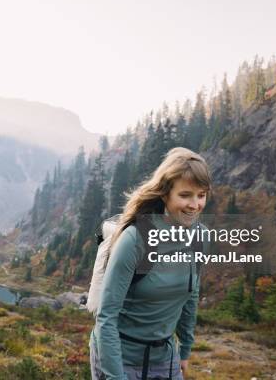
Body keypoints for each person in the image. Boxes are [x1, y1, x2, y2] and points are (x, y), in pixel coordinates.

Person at [89, 147, 211, 380]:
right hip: (118, 356)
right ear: (165, 194)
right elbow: (106, 317)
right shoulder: (135, 240)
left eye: (201, 195)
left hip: (165, 358)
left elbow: (191, 293)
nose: (195, 205)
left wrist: (185, 349)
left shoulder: (201, 238)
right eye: (185, 195)